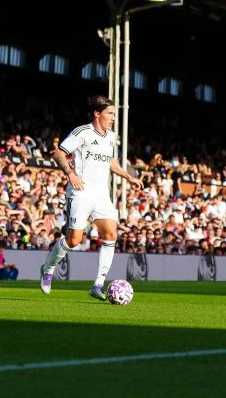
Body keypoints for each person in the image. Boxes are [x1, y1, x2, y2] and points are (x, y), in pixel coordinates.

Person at [39, 96, 143, 300]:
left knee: (111, 234)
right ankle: (48, 268)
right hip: (81, 191)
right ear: (97, 113)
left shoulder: (111, 136)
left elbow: (109, 161)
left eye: (114, 114)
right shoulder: (82, 132)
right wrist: (70, 174)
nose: (113, 117)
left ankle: (98, 284)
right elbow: (59, 154)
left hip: (101, 192)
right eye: (110, 113)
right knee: (74, 240)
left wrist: (128, 176)